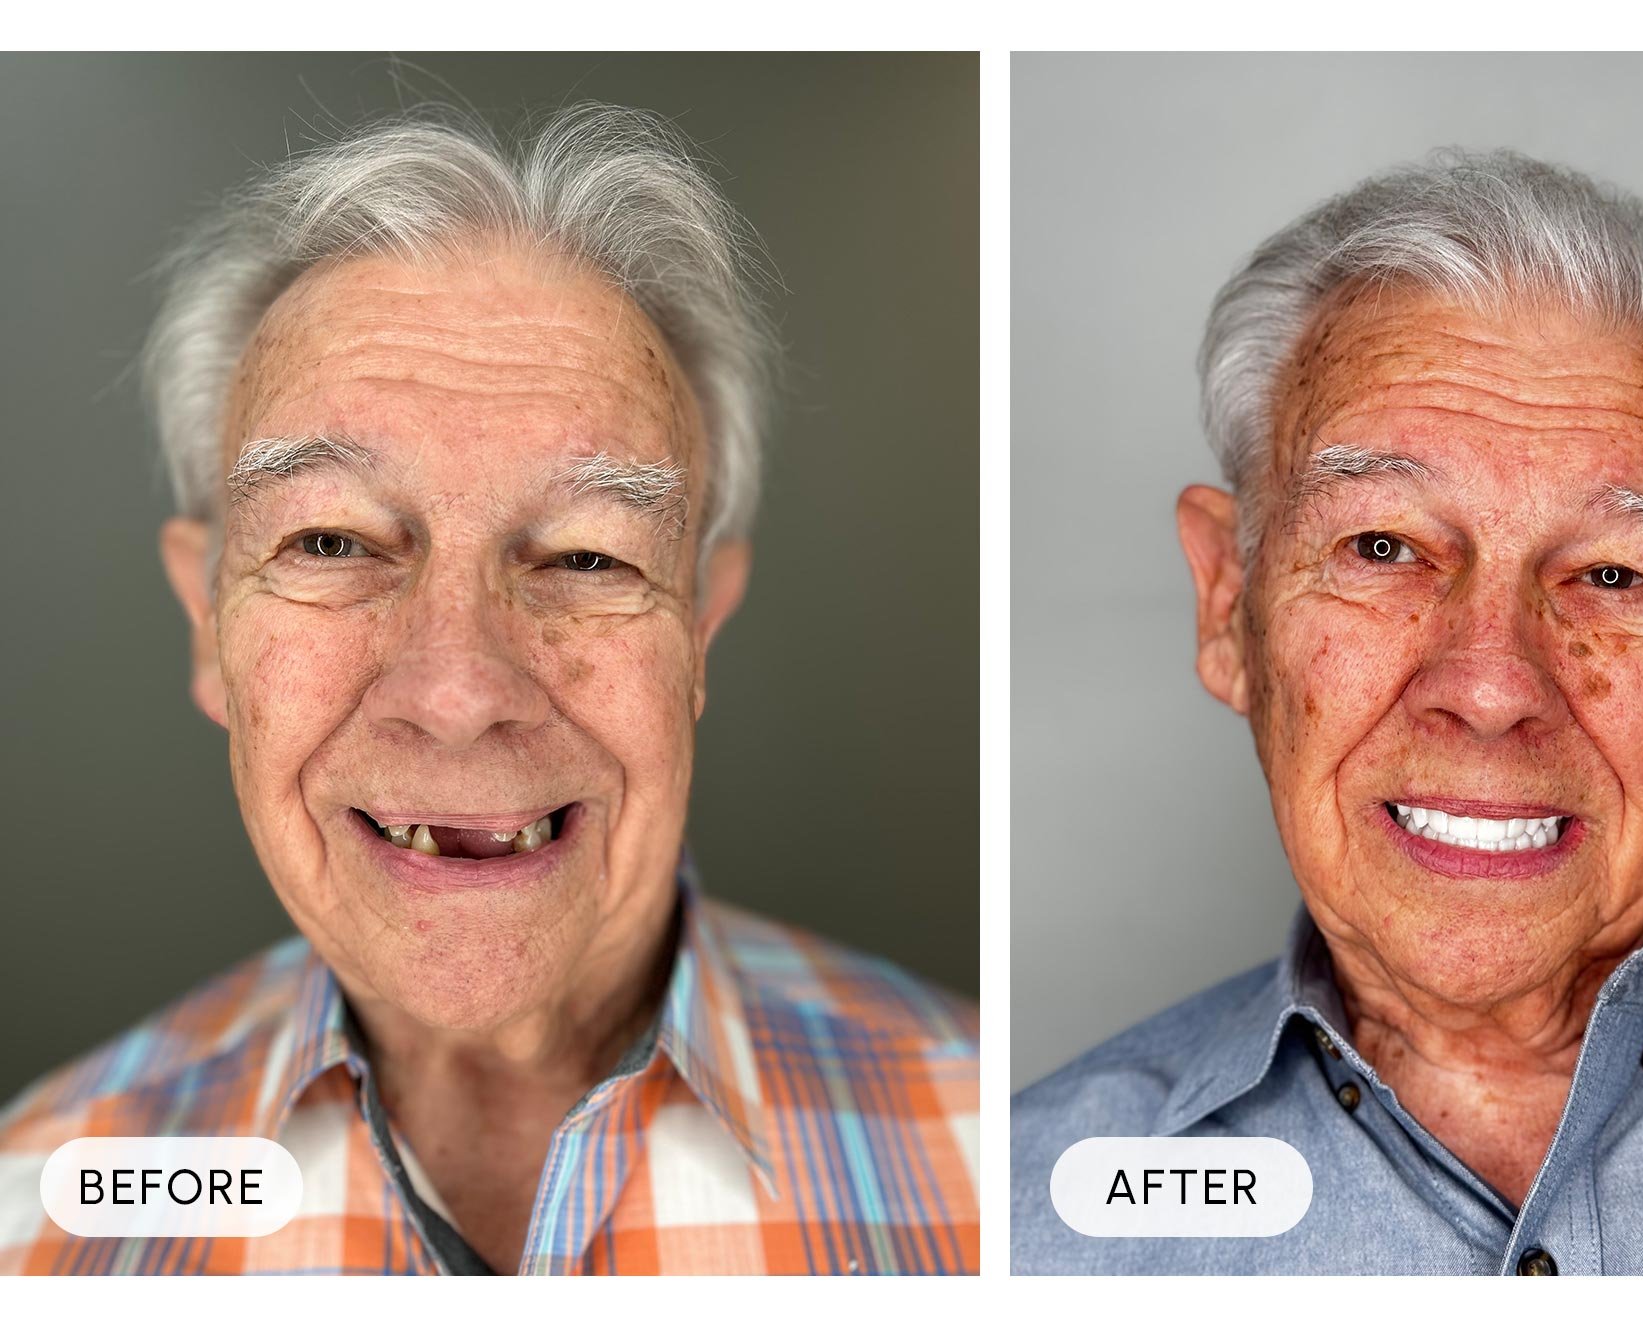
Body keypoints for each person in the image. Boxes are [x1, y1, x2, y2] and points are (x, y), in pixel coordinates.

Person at [0, 103, 977, 1276]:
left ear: (701, 624)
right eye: (328, 543)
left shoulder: (992, 1153)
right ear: (207, 622)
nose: (458, 691)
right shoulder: (30, 1223)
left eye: (585, 556)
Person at [1011, 149, 1643, 1274]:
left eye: (1614, 576)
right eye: (1381, 547)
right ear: (1227, 606)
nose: (1489, 687)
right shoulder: (1025, 1219)